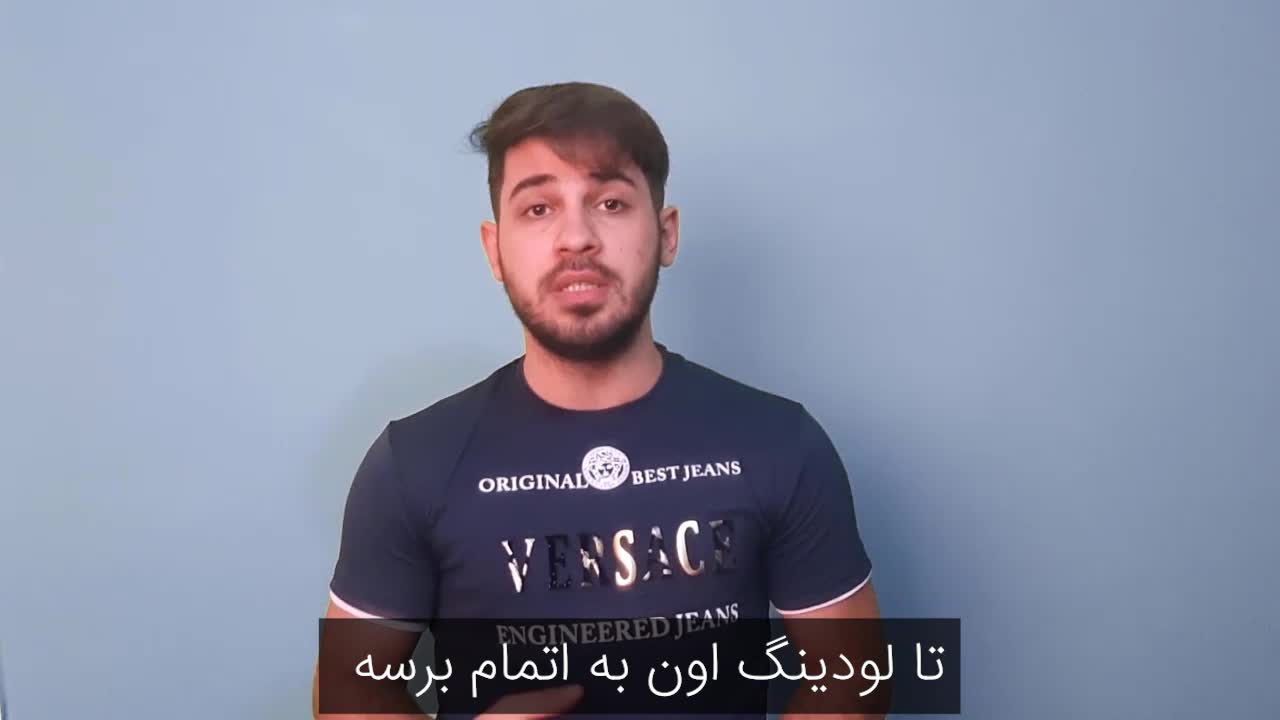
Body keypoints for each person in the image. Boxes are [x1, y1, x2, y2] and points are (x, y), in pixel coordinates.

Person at [312, 81, 881, 719]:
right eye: (538, 209)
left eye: (610, 203)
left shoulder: (780, 443)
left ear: (666, 234)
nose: (576, 237)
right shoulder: (413, 463)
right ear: (494, 249)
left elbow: (853, 682)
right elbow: (347, 692)